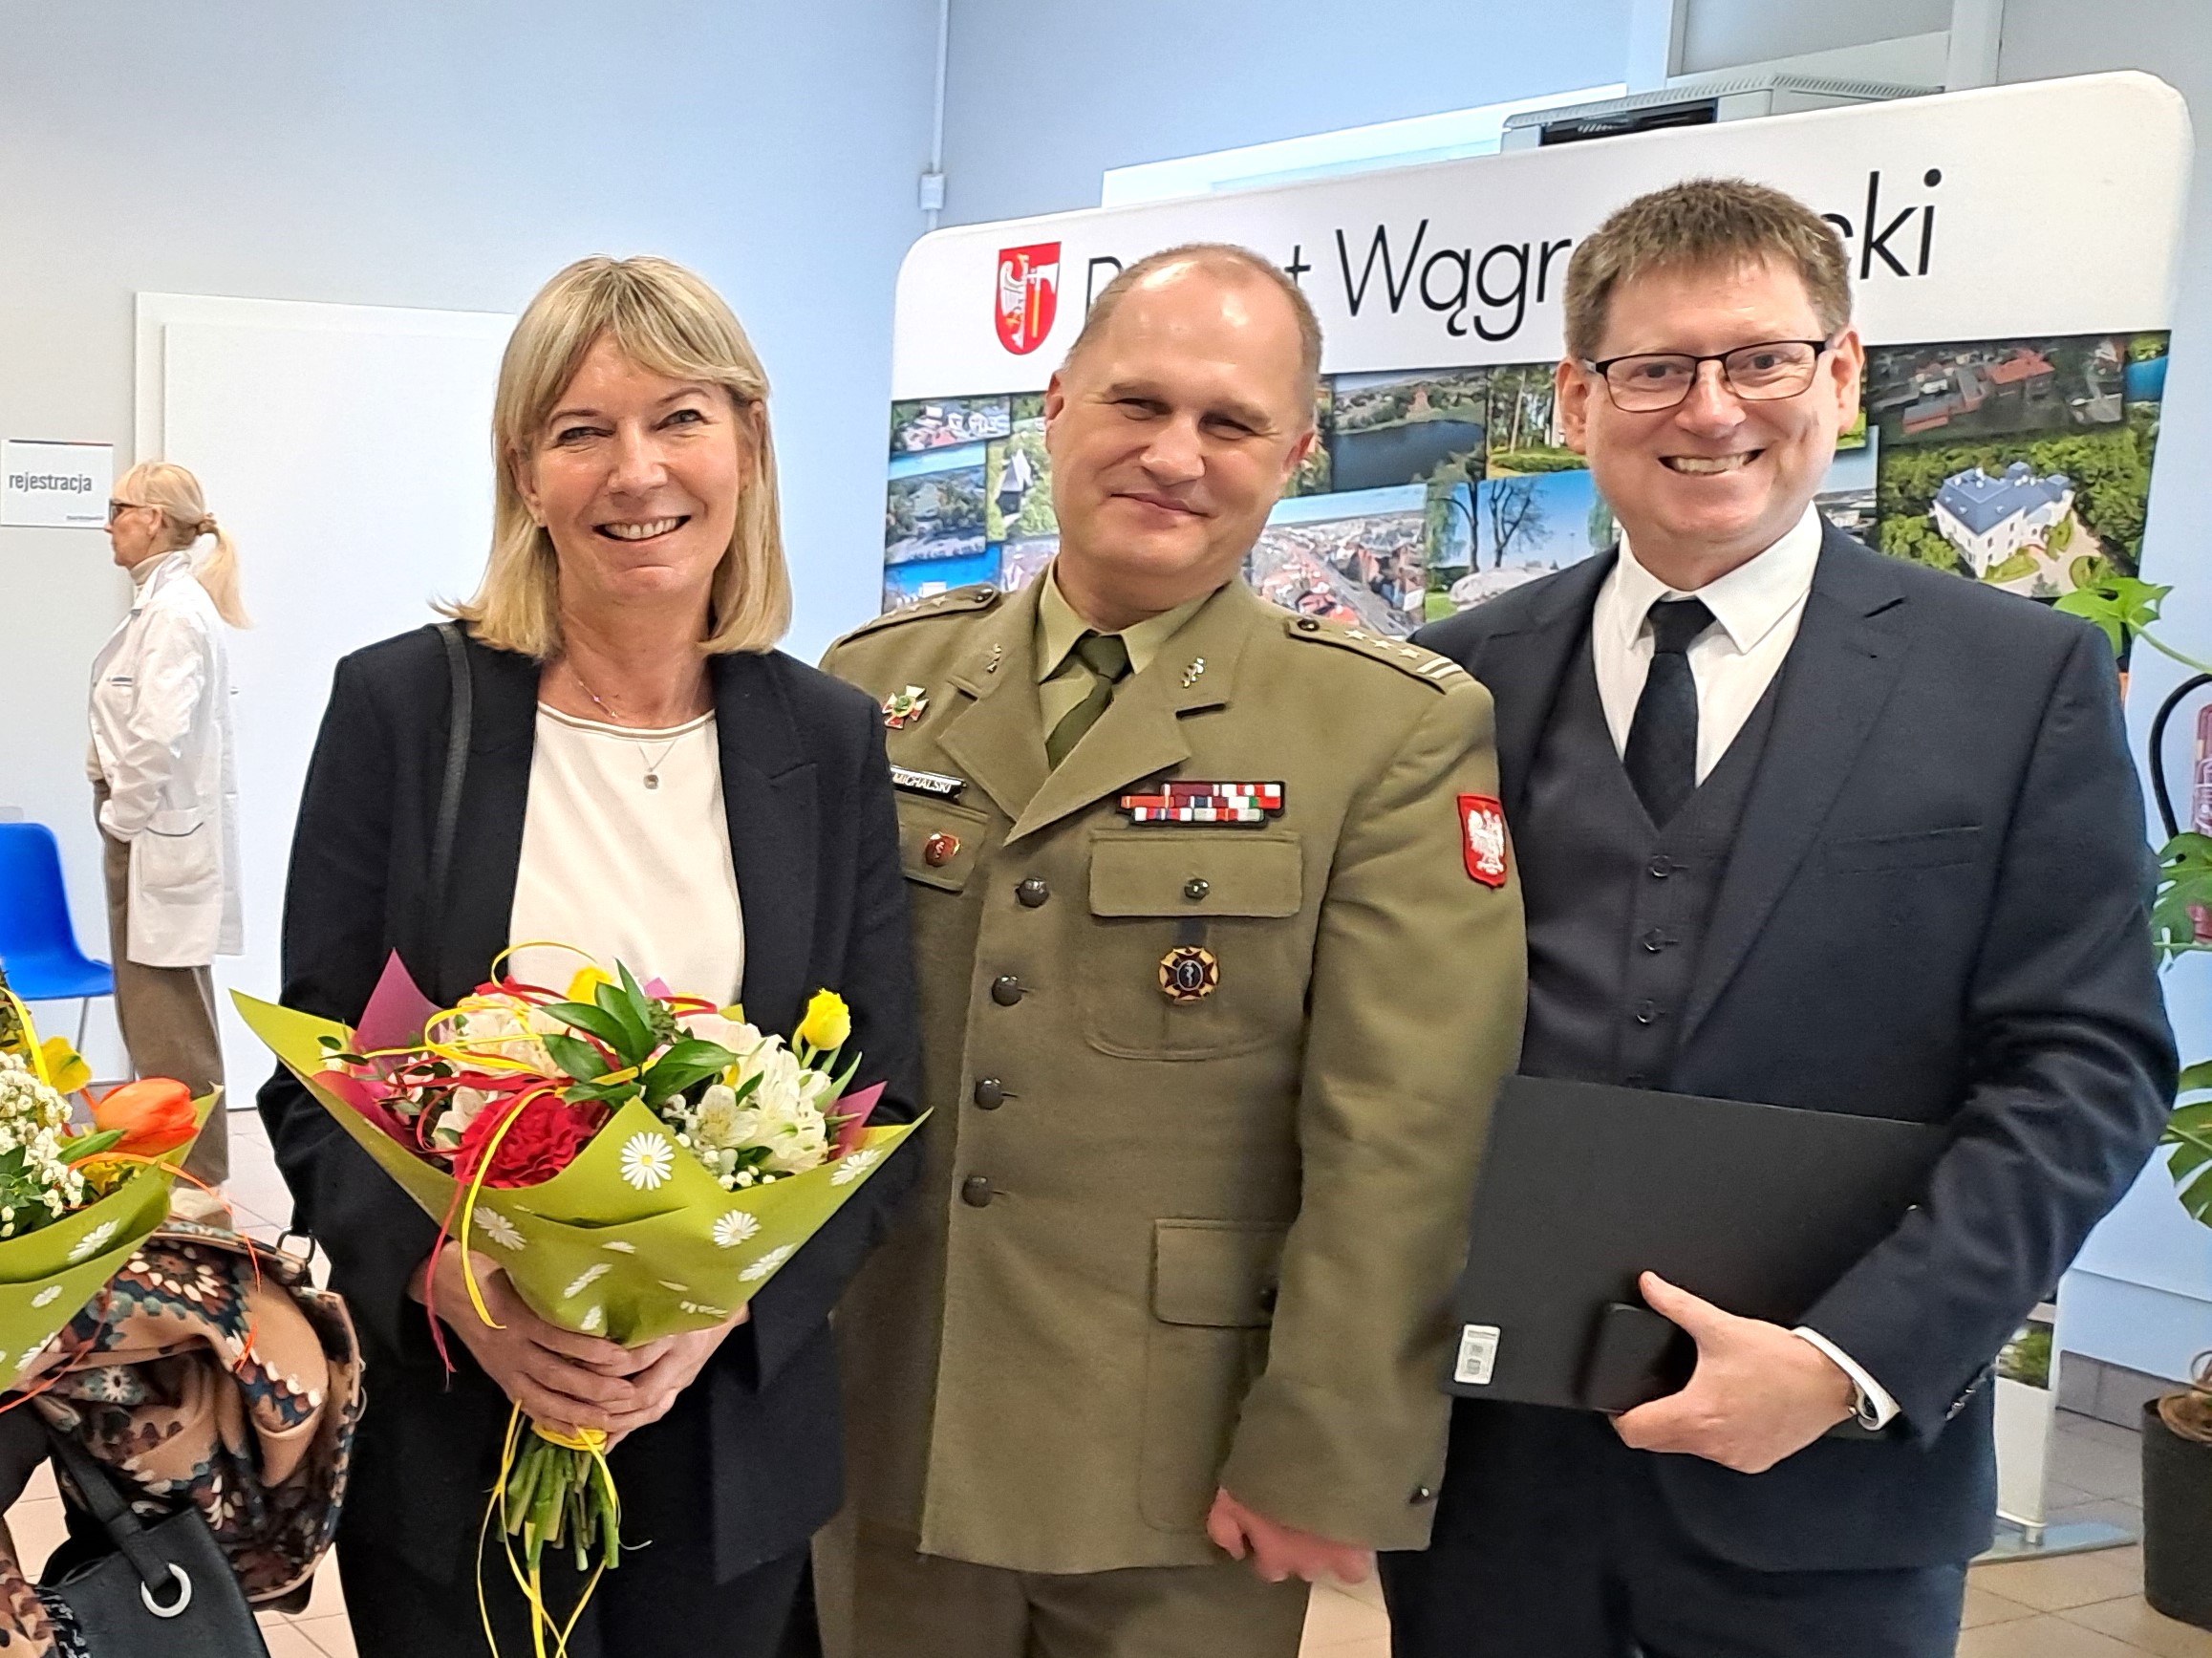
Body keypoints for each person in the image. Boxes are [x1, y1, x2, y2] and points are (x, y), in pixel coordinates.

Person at [1384, 179, 2177, 1658]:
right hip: (1488, 1486)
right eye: (1652, 368)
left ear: (1840, 373)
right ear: (1576, 396)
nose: (1710, 409)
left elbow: (2083, 1069)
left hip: (1829, 1493)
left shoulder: (2015, 682)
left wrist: (1843, 1358)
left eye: (1760, 358)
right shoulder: (1450, 683)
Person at [817, 245, 1525, 1658]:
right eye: (1136, 402)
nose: (1173, 455)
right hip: (886, 1411)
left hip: (1179, 1450)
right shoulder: (875, 684)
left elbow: (1405, 1129)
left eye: (1230, 422)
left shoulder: (1383, 728)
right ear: (1056, 405)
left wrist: (1326, 1445)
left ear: (1295, 454)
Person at [257, 255, 921, 1658]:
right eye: (580, 430)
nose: (636, 472)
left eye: (679, 418)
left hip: (724, 1418)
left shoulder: (825, 738)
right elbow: (317, 1072)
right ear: (525, 471)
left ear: (746, 442)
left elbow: (881, 1094)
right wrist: (449, 1282)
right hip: (459, 1414)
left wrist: (719, 1306)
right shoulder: (401, 708)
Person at [87, 460, 247, 1190]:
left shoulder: (176, 613)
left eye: (118, 509)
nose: (109, 525)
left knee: (168, 1018)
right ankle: (175, 1171)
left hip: (148, 828)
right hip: (146, 828)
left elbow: (158, 735)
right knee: (160, 1011)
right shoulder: (162, 606)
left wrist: (121, 816)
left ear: (151, 519)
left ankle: (193, 1183)